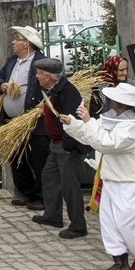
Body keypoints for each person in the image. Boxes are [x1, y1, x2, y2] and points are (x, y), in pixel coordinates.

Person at [61, 83, 135, 270]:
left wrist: (87, 120)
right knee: (109, 222)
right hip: (110, 178)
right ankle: (120, 262)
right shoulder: (112, 121)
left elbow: (106, 143)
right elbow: (91, 136)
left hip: (129, 181)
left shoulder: (132, 128)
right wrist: (72, 123)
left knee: (126, 223)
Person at [30, 58, 91, 239]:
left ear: (48, 76)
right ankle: (53, 215)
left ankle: (78, 226)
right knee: (48, 176)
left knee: (70, 186)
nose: (37, 76)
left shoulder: (68, 92)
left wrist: (67, 146)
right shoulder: (54, 89)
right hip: (56, 144)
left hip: (66, 147)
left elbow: (74, 122)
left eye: (39, 73)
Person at [0, 26, 48, 209]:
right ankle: (26, 192)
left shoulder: (40, 62)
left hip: (32, 120)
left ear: (27, 43)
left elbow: (49, 87)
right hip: (12, 121)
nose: (13, 42)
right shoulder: (12, 62)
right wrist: (2, 86)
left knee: (38, 159)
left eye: (17, 39)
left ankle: (42, 197)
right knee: (16, 157)